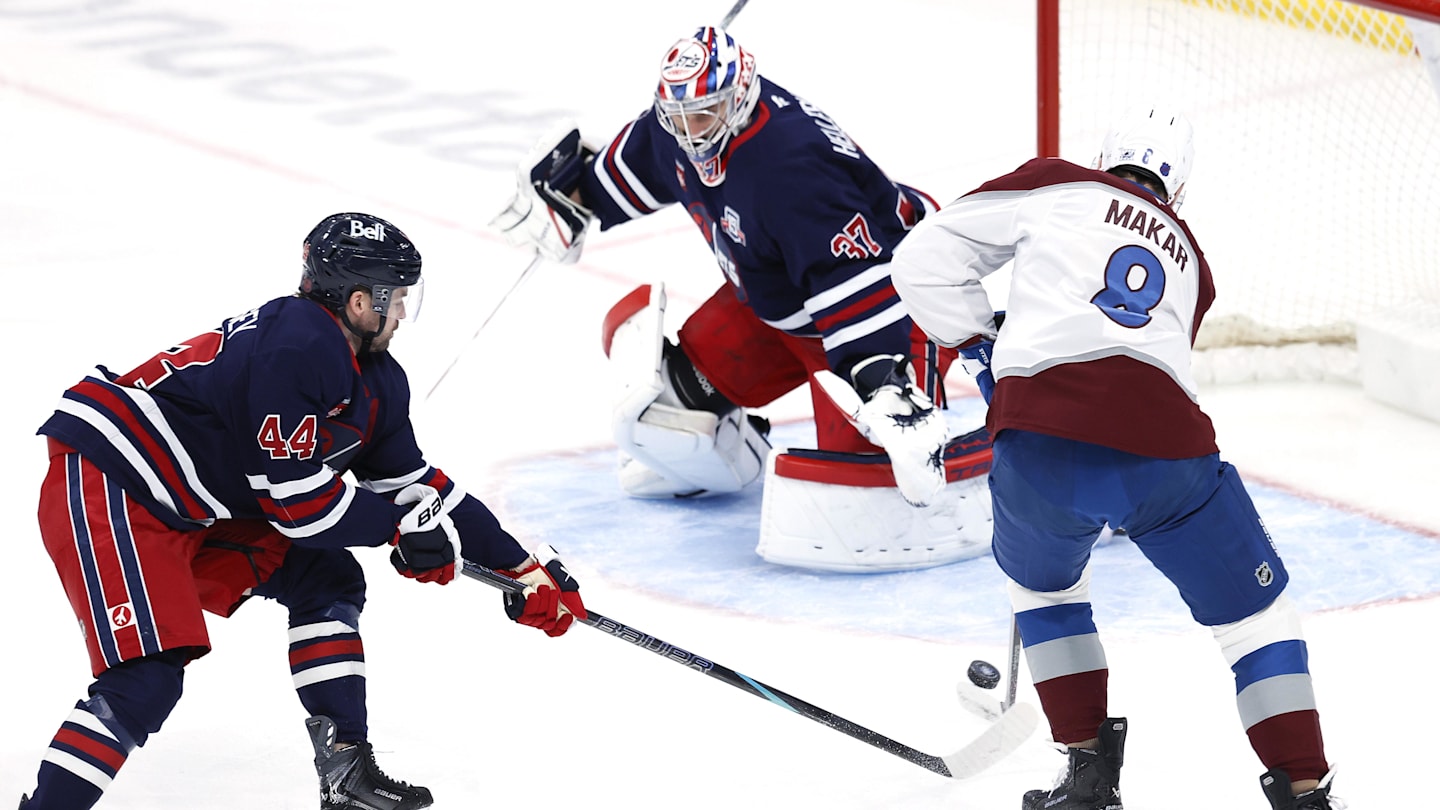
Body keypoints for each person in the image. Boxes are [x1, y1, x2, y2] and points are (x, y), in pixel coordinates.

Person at [19, 212, 587, 810]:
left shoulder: (376, 380)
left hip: (191, 504)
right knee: (147, 677)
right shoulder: (299, 340)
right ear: (361, 301)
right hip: (114, 480)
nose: (401, 317)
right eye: (397, 301)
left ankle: (346, 774)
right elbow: (300, 506)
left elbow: (417, 486)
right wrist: (399, 529)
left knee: (325, 576)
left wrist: (520, 565)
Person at [889, 108, 1341, 809]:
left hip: (1035, 446)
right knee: (1256, 621)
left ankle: (1088, 775)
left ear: (1104, 159)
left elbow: (920, 261)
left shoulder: (1055, 183)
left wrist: (982, 347)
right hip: (1164, 455)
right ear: (1178, 187)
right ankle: (1305, 791)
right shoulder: (1193, 260)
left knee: (1044, 593)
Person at [491, 25, 994, 573]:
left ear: (740, 98)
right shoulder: (677, 127)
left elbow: (855, 280)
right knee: (663, 415)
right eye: (677, 116)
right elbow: (627, 173)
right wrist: (568, 197)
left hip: (890, 304)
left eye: (702, 115)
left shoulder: (791, 166)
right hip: (781, 300)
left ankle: (957, 416)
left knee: (881, 474)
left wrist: (881, 381)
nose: (688, 131)